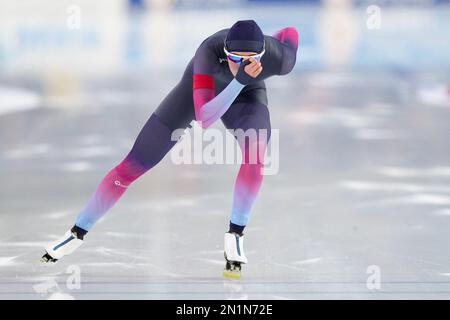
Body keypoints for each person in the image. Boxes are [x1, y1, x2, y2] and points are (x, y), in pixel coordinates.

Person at [41, 20, 299, 279]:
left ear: (263, 54)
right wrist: (240, 79)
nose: (240, 65)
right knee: (132, 165)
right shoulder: (208, 52)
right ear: (226, 52)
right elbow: (205, 118)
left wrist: (255, 63)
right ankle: (76, 232)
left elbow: (290, 33)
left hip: (248, 93)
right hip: (196, 95)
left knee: (255, 156)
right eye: (234, 58)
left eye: (250, 59)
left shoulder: (279, 58)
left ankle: (236, 234)